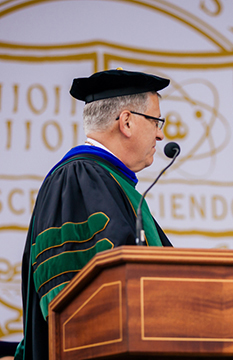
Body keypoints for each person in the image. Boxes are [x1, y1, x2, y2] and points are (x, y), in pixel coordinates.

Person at [15, 69, 173, 360]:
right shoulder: (78, 177)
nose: (161, 133)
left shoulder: (109, 180)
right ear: (126, 121)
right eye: (156, 120)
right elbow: (68, 294)